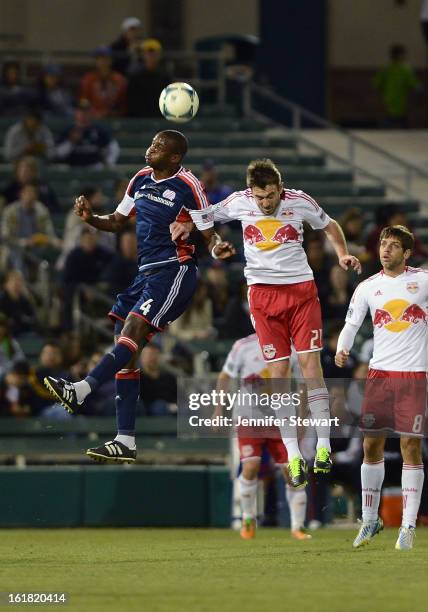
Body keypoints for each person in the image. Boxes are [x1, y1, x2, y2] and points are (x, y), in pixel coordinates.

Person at [43, 130, 235, 462]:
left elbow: (208, 233)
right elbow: (118, 221)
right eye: (152, 143)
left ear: (175, 157)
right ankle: (125, 439)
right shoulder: (140, 179)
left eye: (159, 146)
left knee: (132, 328)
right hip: (144, 275)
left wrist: (218, 247)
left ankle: (80, 390)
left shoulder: (189, 185)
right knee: (125, 349)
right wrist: (92, 220)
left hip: (175, 271)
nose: (150, 149)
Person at [171, 158, 361, 487]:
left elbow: (329, 225)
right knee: (279, 374)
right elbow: (204, 216)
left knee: (311, 367)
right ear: (252, 192)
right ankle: (293, 454)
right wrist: (212, 243)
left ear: (280, 188)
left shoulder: (299, 201)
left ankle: (324, 447)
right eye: (260, 197)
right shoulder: (240, 202)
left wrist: (341, 252)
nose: (265, 203)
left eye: (270, 195)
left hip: (301, 291)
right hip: (262, 295)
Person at [335, 225, 427, 550]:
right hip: (379, 377)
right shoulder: (367, 288)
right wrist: (341, 348)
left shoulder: (423, 282)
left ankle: (408, 526)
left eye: (392, 246)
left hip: (414, 376)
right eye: (383, 244)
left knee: (410, 449)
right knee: (370, 447)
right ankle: (370, 520)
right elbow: (351, 322)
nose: (385, 250)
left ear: (406, 253)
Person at [215, 333, 311, 540]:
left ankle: (298, 526)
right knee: (250, 467)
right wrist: (217, 409)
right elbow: (225, 375)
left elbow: (303, 384)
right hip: (249, 418)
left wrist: (302, 417)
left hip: (281, 420)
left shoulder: (291, 347)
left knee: (292, 472)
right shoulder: (243, 346)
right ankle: (247, 519)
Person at [56, 99, 120, 168]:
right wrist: (71, 142)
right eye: (80, 111)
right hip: (74, 170)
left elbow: (114, 147)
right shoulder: (69, 130)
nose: (83, 114)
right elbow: (58, 153)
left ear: (90, 113)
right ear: (76, 112)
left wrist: (108, 163)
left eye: (86, 111)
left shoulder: (98, 130)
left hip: (95, 168)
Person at [373, 45, 419, 128]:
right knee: (397, 120)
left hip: (393, 101)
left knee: (395, 119)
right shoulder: (402, 70)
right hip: (395, 101)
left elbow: (376, 84)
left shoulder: (389, 69)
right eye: (402, 54)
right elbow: (414, 84)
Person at [79, 46, 127, 118]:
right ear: (96, 61)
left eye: (106, 58)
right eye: (100, 58)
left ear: (111, 60)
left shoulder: (119, 80)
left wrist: (113, 113)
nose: (103, 61)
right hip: (92, 118)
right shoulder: (88, 79)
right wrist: (92, 113)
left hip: (114, 119)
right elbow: (83, 101)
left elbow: (123, 103)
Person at [127, 39, 170, 117]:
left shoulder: (166, 77)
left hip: (160, 118)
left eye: (154, 53)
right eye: (148, 53)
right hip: (140, 119)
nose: (151, 56)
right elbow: (131, 102)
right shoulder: (135, 77)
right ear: (143, 55)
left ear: (159, 55)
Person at [139, 343, 177, 415]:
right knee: (159, 406)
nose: (153, 358)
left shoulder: (169, 377)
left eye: (155, 354)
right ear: (142, 358)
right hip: (150, 409)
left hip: (172, 407)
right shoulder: (138, 377)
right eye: (149, 355)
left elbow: (177, 395)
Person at [0, 269, 37, 337]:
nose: (16, 284)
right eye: (12, 281)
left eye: (18, 281)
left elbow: (33, 319)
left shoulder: (25, 300)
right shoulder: (2, 300)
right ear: (5, 284)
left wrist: (23, 319)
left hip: (24, 332)